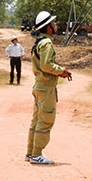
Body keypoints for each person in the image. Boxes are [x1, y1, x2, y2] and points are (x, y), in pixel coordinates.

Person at [27, 11, 72, 165]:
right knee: (46, 120)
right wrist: (61, 71)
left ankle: (30, 153)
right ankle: (37, 153)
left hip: (40, 85)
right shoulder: (47, 43)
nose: (55, 25)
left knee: (36, 120)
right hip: (46, 87)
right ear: (48, 27)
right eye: (53, 23)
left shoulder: (39, 42)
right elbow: (46, 65)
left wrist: (59, 72)